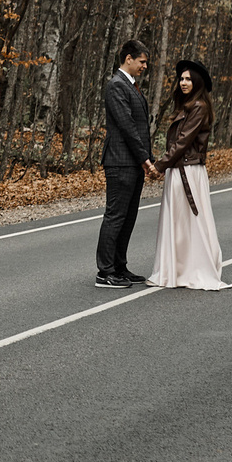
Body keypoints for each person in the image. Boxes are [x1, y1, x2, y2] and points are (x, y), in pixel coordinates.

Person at [150, 59, 230, 290]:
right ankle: (177, 270)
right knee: (178, 220)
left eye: (188, 79)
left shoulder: (199, 107)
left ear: (197, 82)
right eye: (181, 79)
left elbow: (183, 142)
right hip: (178, 169)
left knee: (191, 220)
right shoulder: (187, 105)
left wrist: (159, 165)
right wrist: (164, 165)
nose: (183, 82)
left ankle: (193, 269)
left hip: (188, 170)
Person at [96, 39, 156, 288]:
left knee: (128, 217)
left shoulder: (132, 86)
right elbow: (127, 127)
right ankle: (105, 272)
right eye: (142, 61)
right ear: (128, 58)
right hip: (120, 162)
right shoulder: (116, 85)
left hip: (133, 163)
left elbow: (140, 128)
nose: (145, 66)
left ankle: (120, 267)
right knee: (116, 216)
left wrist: (146, 158)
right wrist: (145, 159)